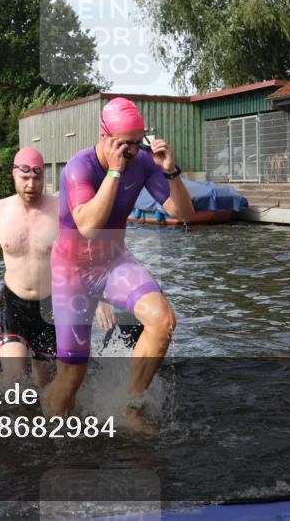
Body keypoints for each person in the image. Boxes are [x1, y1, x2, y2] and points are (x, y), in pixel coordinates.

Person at [44, 97, 195, 420]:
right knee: (71, 377)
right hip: (72, 273)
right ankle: (51, 436)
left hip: (113, 262)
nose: (132, 151)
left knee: (162, 321)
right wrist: (114, 172)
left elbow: (184, 213)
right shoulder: (79, 167)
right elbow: (87, 226)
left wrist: (171, 172)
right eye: (125, 144)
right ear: (104, 136)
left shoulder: (141, 162)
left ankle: (131, 405)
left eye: (138, 143)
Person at [0, 147, 59, 385]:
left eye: (37, 178)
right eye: (25, 178)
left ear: (44, 177)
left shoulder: (61, 210)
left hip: (50, 306)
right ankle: (16, 421)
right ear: (13, 175)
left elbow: (81, 256)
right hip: (13, 302)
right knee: (15, 380)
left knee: (45, 384)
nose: (31, 185)